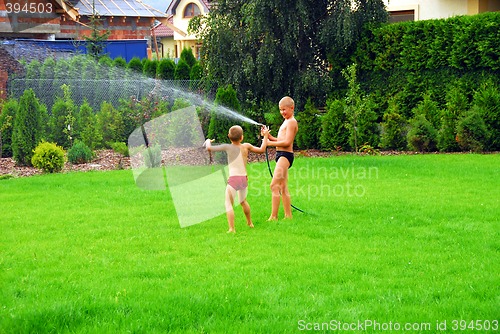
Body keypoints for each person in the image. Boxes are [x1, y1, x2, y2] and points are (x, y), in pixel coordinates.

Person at [204, 125, 269, 233]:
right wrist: (266, 136)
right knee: (243, 201)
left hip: (233, 179)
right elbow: (262, 149)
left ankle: (232, 228)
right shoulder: (246, 146)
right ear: (242, 137)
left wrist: (207, 141)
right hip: (243, 179)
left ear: (229, 136)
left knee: (228, 203)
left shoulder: (228, 147)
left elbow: (209, 148)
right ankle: (250, 222)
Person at [264, 96, 298, 221]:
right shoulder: (286, 121)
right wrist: (268, 136)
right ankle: (288, 216)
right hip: (281, 155)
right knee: (283, 186)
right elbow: (280, 140)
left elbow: (287, 142)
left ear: (292, 108)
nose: (282, 112)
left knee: (274, 185)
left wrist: (268, 144)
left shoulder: (292, 122)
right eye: (280, 110)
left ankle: (274, 216)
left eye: (284, 109)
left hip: (285, 155)